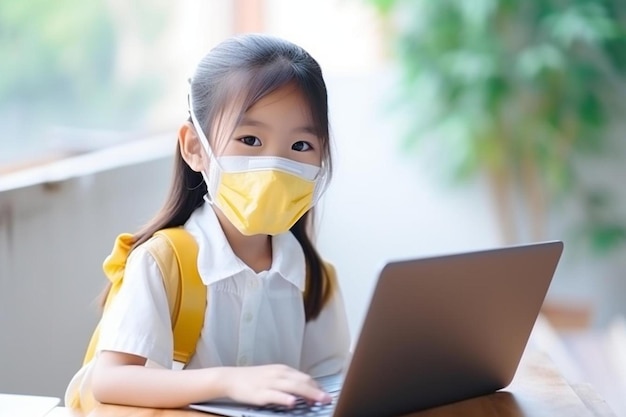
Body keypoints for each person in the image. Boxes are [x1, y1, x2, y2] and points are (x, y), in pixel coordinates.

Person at [66, 33, 351, 409]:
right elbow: (110, 380)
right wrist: (228, 381)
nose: (275, 164)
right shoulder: (163, 262)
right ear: (195, 148)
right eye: (250, 139)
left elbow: (327, 388)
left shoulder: (315, 277)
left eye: (301, 146)